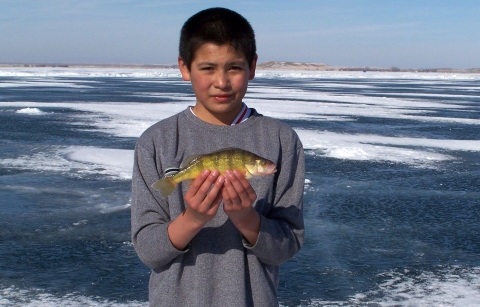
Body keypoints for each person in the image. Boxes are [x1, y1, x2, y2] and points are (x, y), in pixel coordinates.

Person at [131, 7, 305, 307]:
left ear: (252, 67)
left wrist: (246, 218)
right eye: (208, 68)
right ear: (185, 68)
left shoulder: (281, 141)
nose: (221, 82)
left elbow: (287, 245)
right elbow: (148, 251)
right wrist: (193, 218)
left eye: (234, 68)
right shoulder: (156, 142)